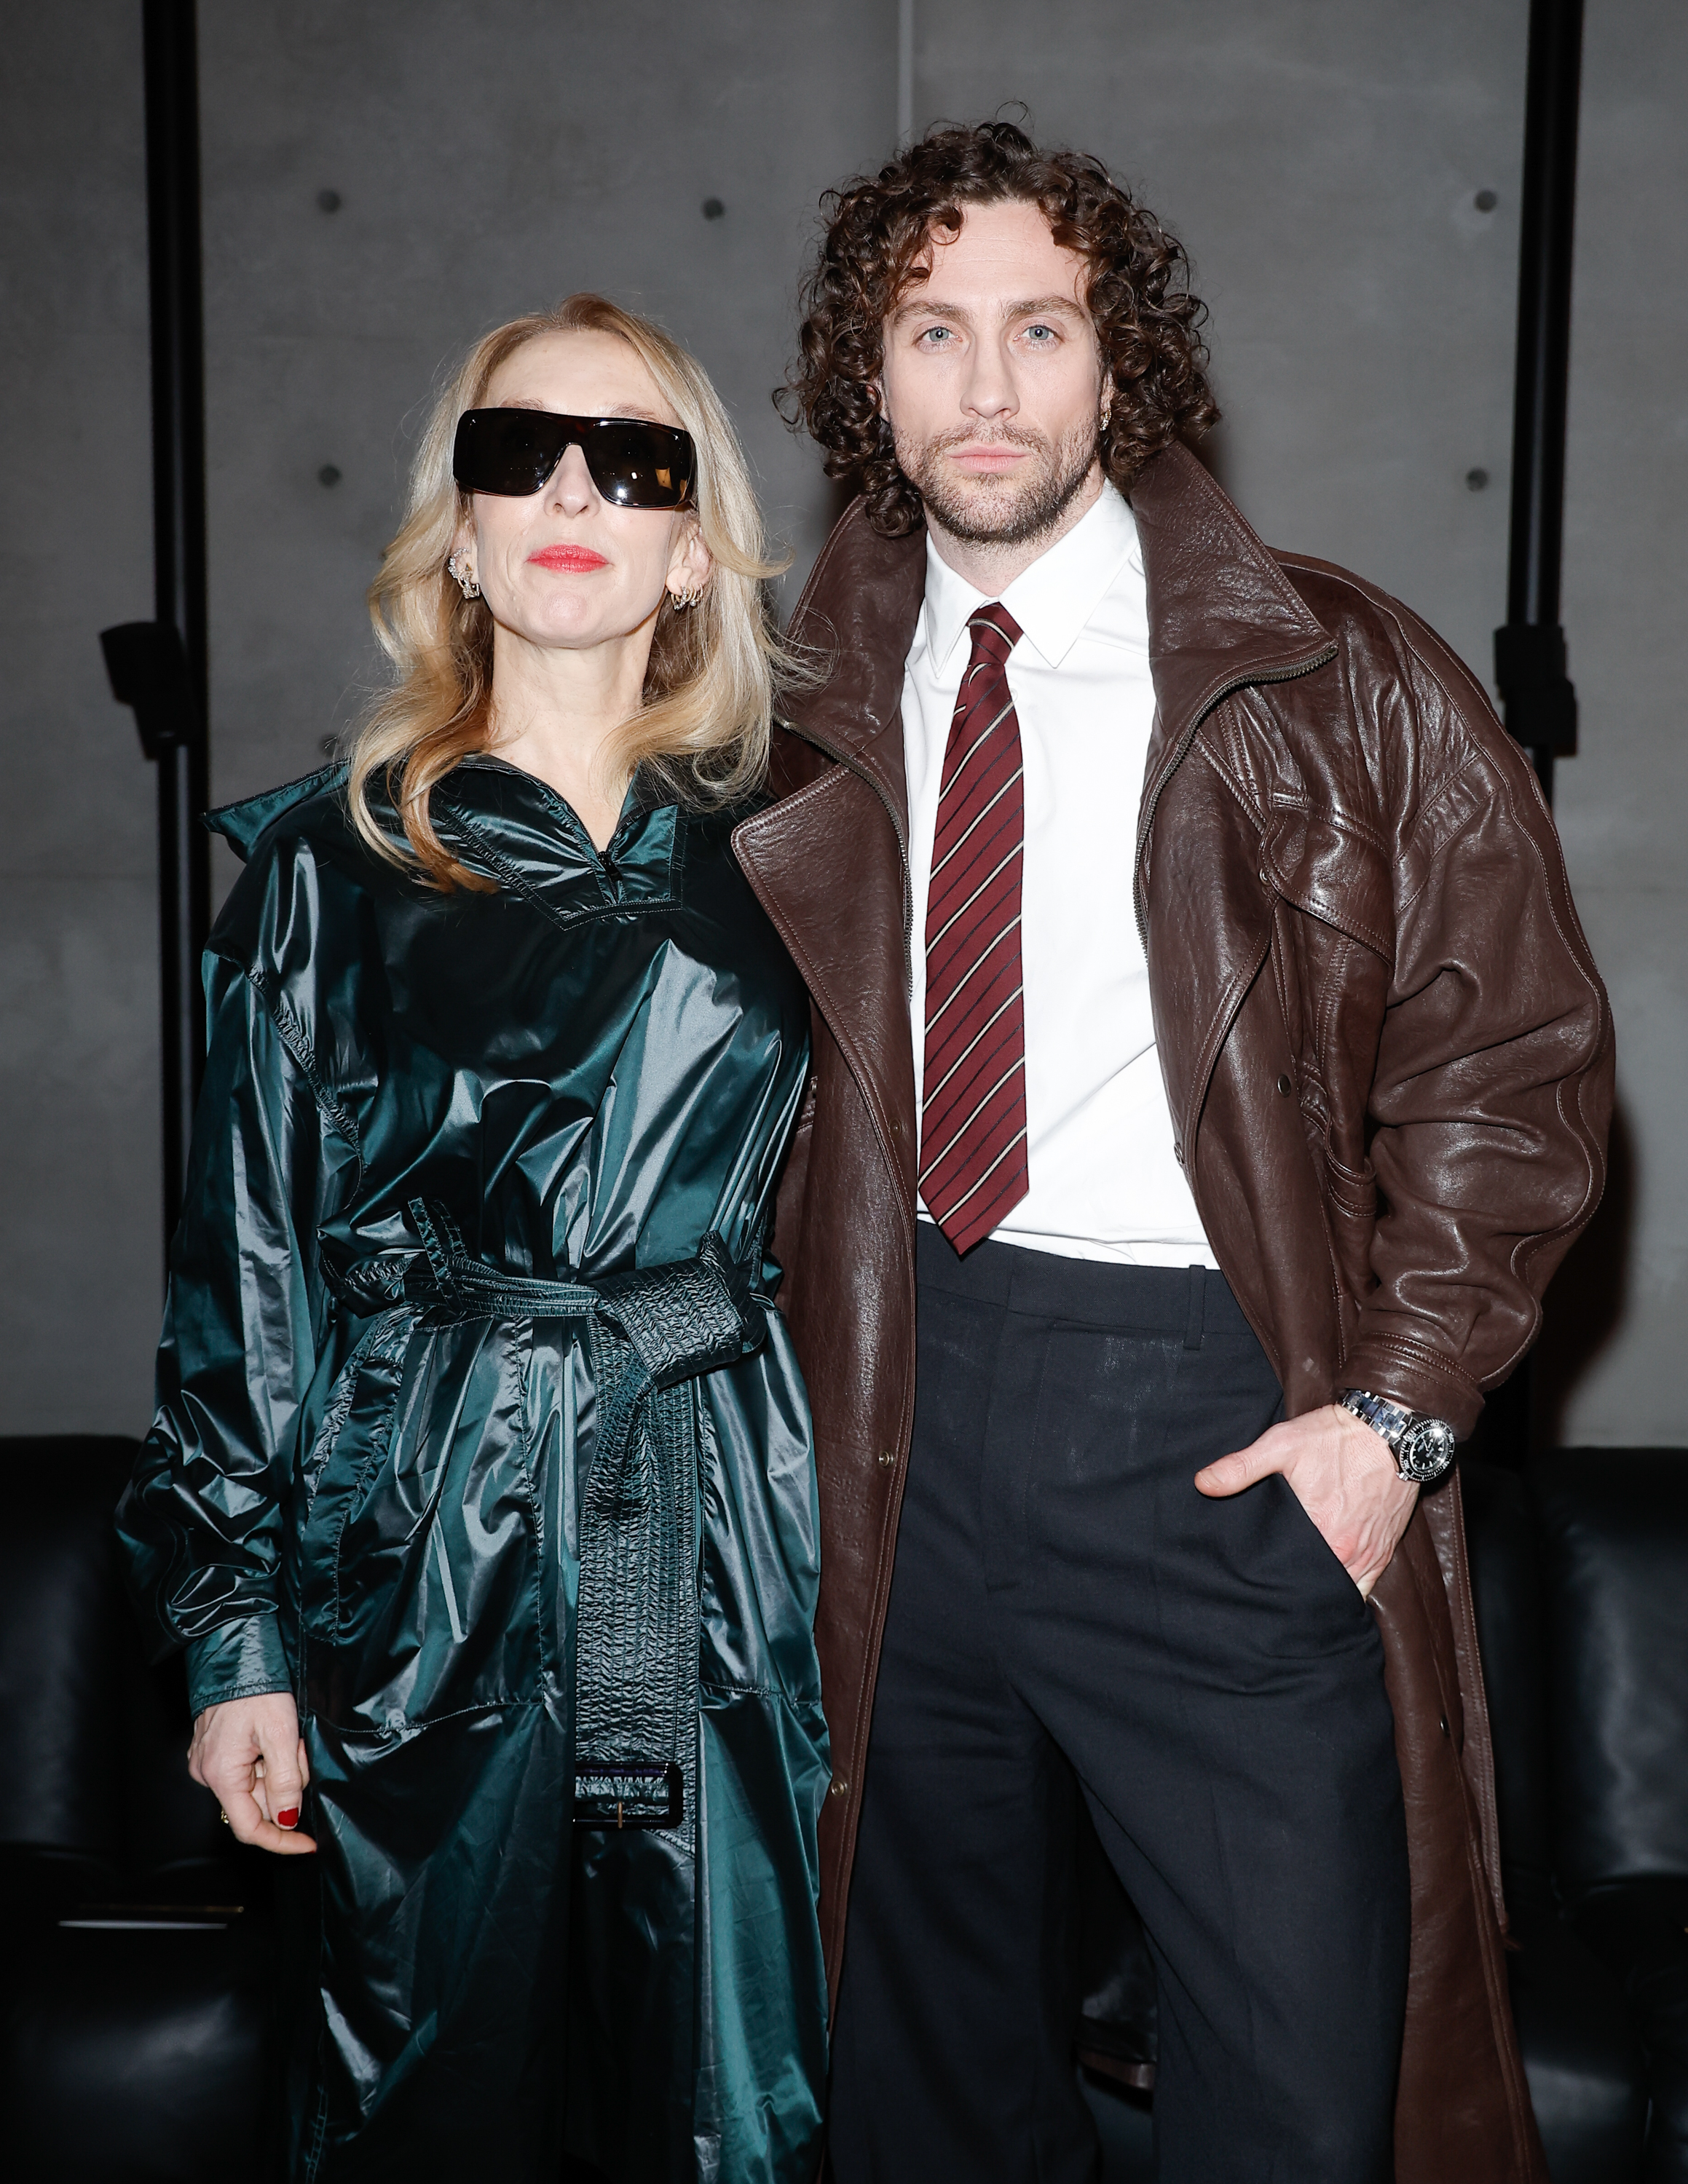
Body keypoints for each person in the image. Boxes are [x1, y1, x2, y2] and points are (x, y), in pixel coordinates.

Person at [733, 122, 1612, 2183]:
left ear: (1119, 362)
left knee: (1303, 2099)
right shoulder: (764, 705)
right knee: (916, 2094)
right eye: (933, 331)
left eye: (1042, 329)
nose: (989, 387)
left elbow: (1522, 1067)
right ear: (869, 376)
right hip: (877, 1425)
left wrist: (1391, 1420)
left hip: (1225, 1421)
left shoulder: (1335, 668)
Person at [117, 293, 829, 2184]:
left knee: (741, 2105)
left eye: (637, 460)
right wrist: (230, 1644)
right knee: (425, 2099)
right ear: (462, 528)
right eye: (520, 453)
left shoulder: (813, 853)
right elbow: (241, 1273)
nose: (574, 489)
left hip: (741, 1531)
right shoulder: (323, 871)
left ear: (694, 542)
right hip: (424, 1543)